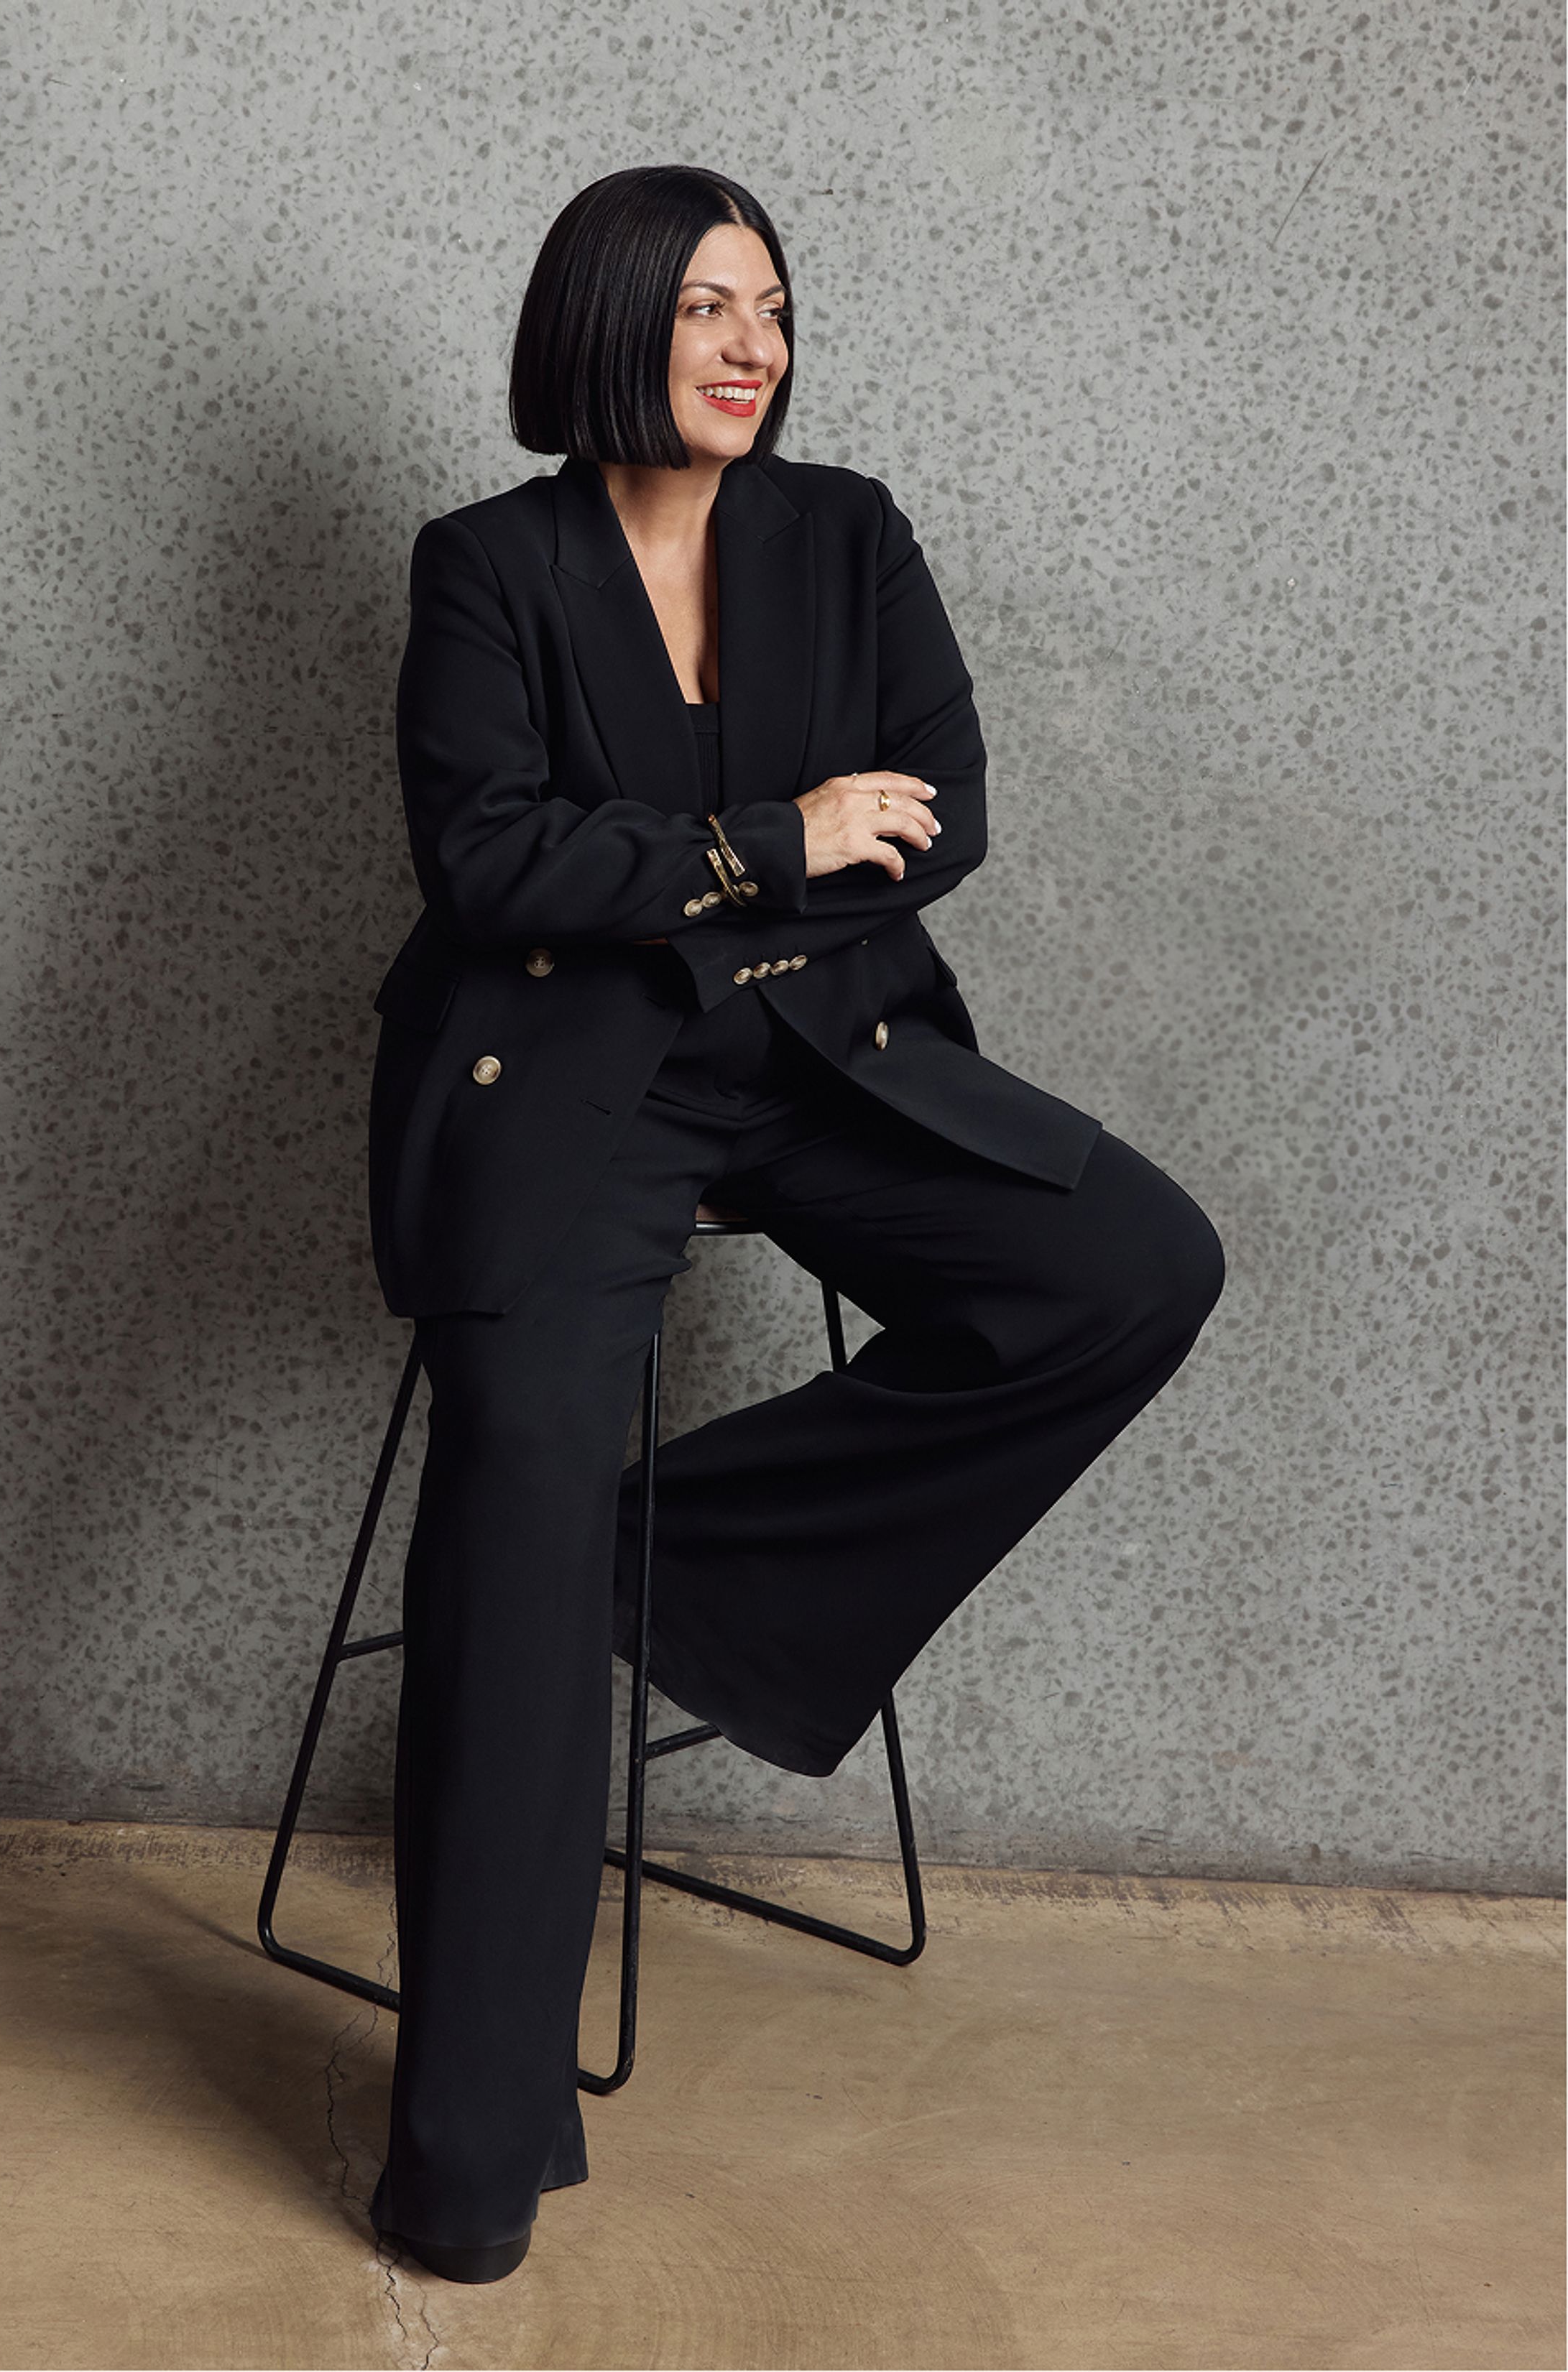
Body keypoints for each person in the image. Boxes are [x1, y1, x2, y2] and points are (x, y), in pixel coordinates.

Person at [363, 164, 1225, 2284]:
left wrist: (677, 871)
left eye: (769, 306)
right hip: (571, 1094)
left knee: (1133, 1267)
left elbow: (945, 813)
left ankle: (635, 1572)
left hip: (829, 1061)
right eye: (704, 307)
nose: (751, 346)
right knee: (507, 1511)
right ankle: (467, 2170)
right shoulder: (488, 564)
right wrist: (769, 844)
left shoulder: (847, 532)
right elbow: (492, 865)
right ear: (607, 321)